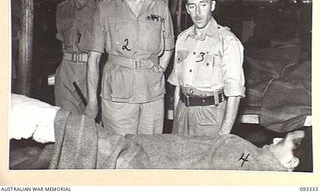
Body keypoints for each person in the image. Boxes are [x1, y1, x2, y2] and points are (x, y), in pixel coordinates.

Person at [10, 93, 304, 171]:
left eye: (287, 142)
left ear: (292, 163)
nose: (276, 138)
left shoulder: (261, 166)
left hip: (135, 160)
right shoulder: (257, 161)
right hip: (139, 150)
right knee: (59, 137)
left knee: (66, 128)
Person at [85, 0, 175, 135]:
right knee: (119, 151)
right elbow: (93, 59)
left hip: (152, 95)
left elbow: (169, 47)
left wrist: (159, 70)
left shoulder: (160, 6)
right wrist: (92, 101)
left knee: (150, 151)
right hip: (118, 94)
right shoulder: (106, 8)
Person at [168, 0, 245, 136]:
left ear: (212, 6)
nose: (197, 13)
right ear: (187, 9)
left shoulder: (228, 41)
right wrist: (177, 119)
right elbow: (178, 86)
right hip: (183, 113)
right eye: (192, 6)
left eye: (203, 4)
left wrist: (224, 134)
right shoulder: (182, 39)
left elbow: (234, 93)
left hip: (210, 116)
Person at [54, 0, 98, 116]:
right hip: (66, 69)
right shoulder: (61, 9)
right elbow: (60, 38)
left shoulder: (100, 10)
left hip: (90, 71)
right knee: (66, 121)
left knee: (91, 123)